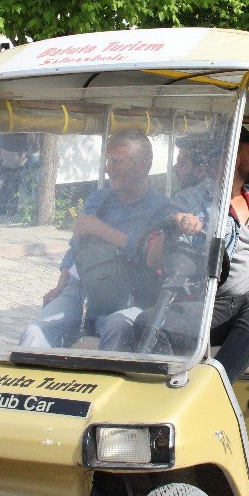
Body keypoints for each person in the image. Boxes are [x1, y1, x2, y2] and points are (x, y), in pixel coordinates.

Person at [116, 128, 249, 382]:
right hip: (213, 306)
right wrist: (173, 229)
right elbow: (157, 257)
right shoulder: (189, 201)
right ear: (228, 154)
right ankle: (170, 392)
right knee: (147, 322)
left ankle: (213, 390)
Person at [19, 129, 172, 348]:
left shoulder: (161, 208)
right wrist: (60, 286)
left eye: (117, 162)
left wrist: (98, 228)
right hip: (80, 288)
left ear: (143, 165)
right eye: (108, 161)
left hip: (130, 293)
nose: (108, 169)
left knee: (115, 328)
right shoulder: (98, 199)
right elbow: (76, 247)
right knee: (33, 334)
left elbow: (148, 256)